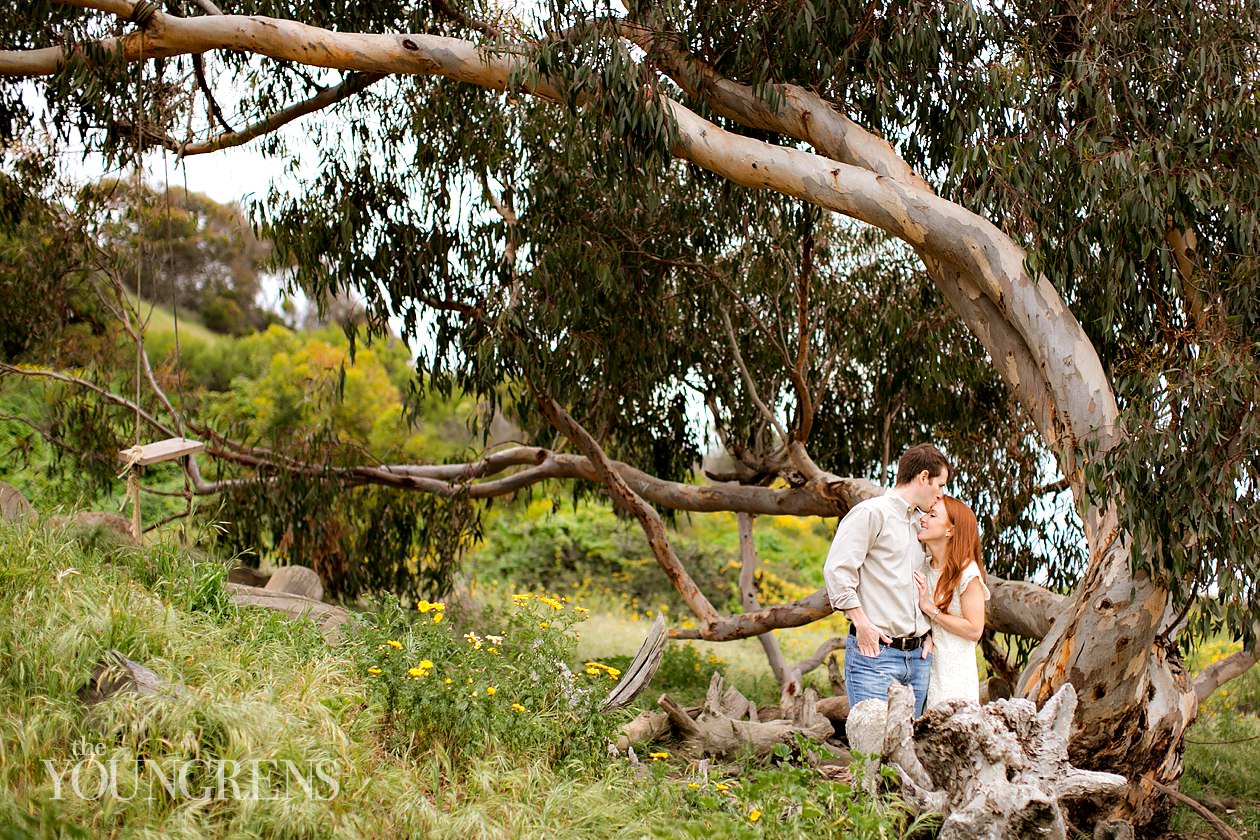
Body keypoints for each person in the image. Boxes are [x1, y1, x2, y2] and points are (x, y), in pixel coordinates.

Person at [824, 443, 950, 717]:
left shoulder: (924, 524)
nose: (941, 495)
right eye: (939, 485)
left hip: (918, 660)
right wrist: (861, 622)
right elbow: (837, 570)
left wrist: (929, 633)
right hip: (875, 656)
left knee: (906, 752)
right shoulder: (871, 513)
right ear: (924, 477)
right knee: (873, 749)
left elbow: (932, 579)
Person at [913, 495, 990, 707]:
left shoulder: (967, 573)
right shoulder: (923, 567)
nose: (923, 519)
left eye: (932, 515)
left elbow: (975, 629)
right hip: (922, 670)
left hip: (953, 677)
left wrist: (931, 610)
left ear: (950, 530)